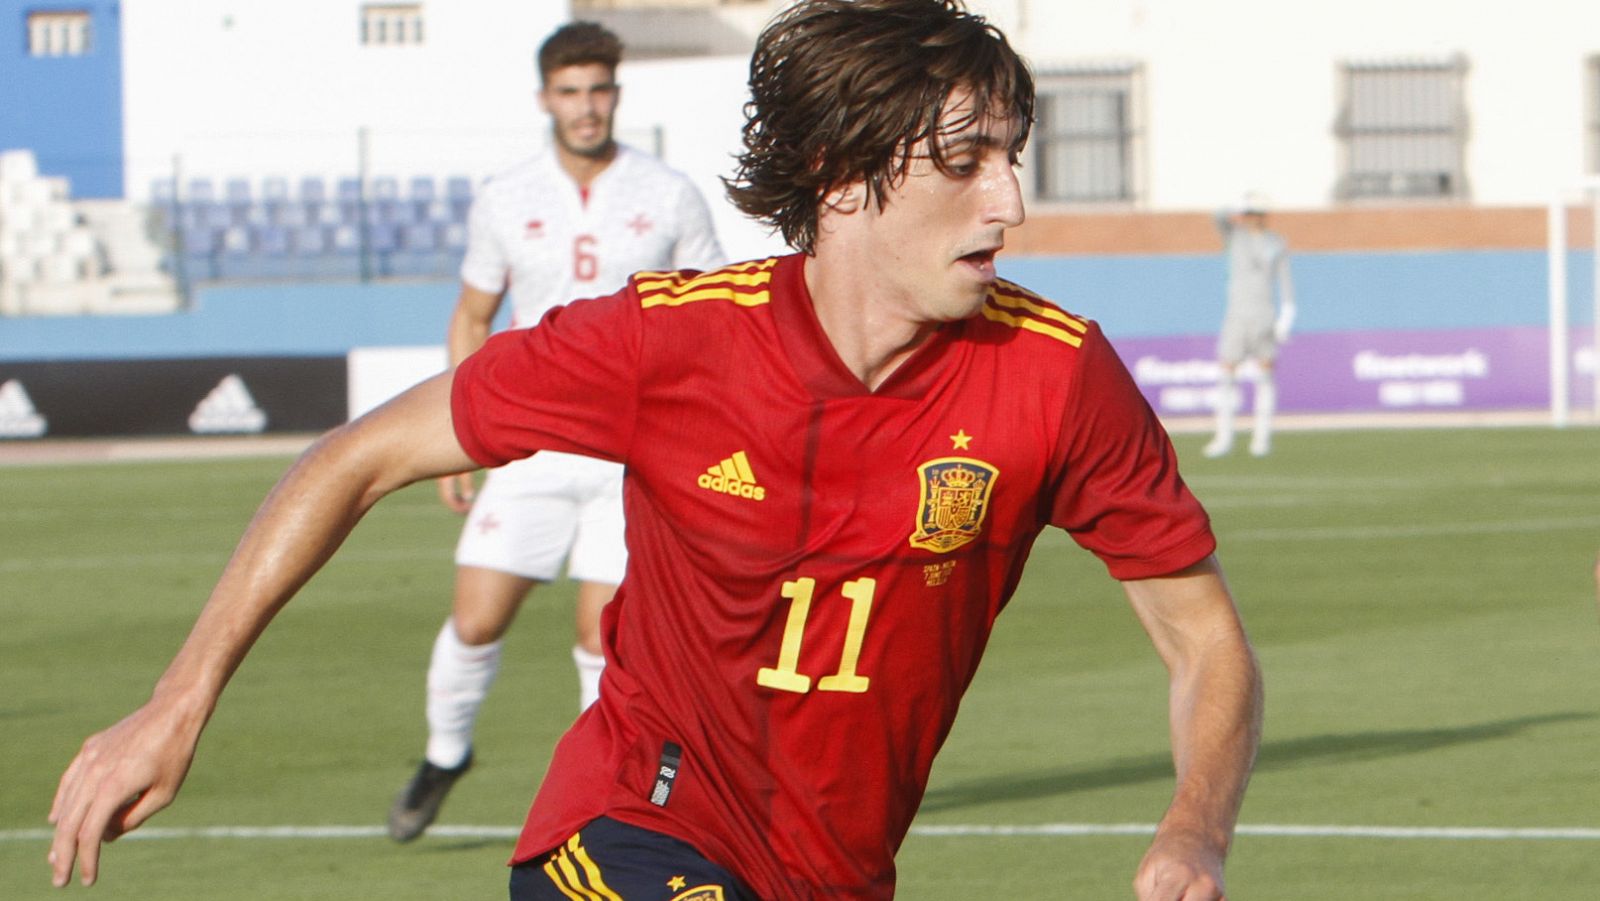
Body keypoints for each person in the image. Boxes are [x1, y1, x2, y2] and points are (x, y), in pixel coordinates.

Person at [49, 2, 1262, 899]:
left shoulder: (1059, 376)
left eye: (1013, 156)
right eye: (965, 162)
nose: (1010, 203)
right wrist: (177, 699)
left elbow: (1202, 637)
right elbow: (353, 457)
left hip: (834, 873)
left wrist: (1195, 827)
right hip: (627, 830)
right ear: (840, 180)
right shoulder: (666, 344)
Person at [387, 21, 726, 843]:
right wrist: (460, 434)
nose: (586, 106)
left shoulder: (669, 192)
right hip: (533, 444)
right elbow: (471, 317)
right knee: (475, 619)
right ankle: (444, 755)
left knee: (599, 636)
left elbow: (718, 314)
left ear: (617, 94)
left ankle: (601, 796)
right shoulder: (507, 196)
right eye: (570, 91)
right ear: (546, 98)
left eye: (599, 89)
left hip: (632, 456)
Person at [1203, 194, 1295, 458]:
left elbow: (1285, 282)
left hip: (1263, 316)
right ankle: (1224, 437)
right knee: (1226, 374)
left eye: (1255, 212)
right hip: (1237, 316)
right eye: (1248, 212)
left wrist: (1286, 317)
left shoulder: (1276, 243)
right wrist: (1238, 203)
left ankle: (1261, 438)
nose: (1251, 218)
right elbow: (1218, 215)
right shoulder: (1235, 237)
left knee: (1265, 376)